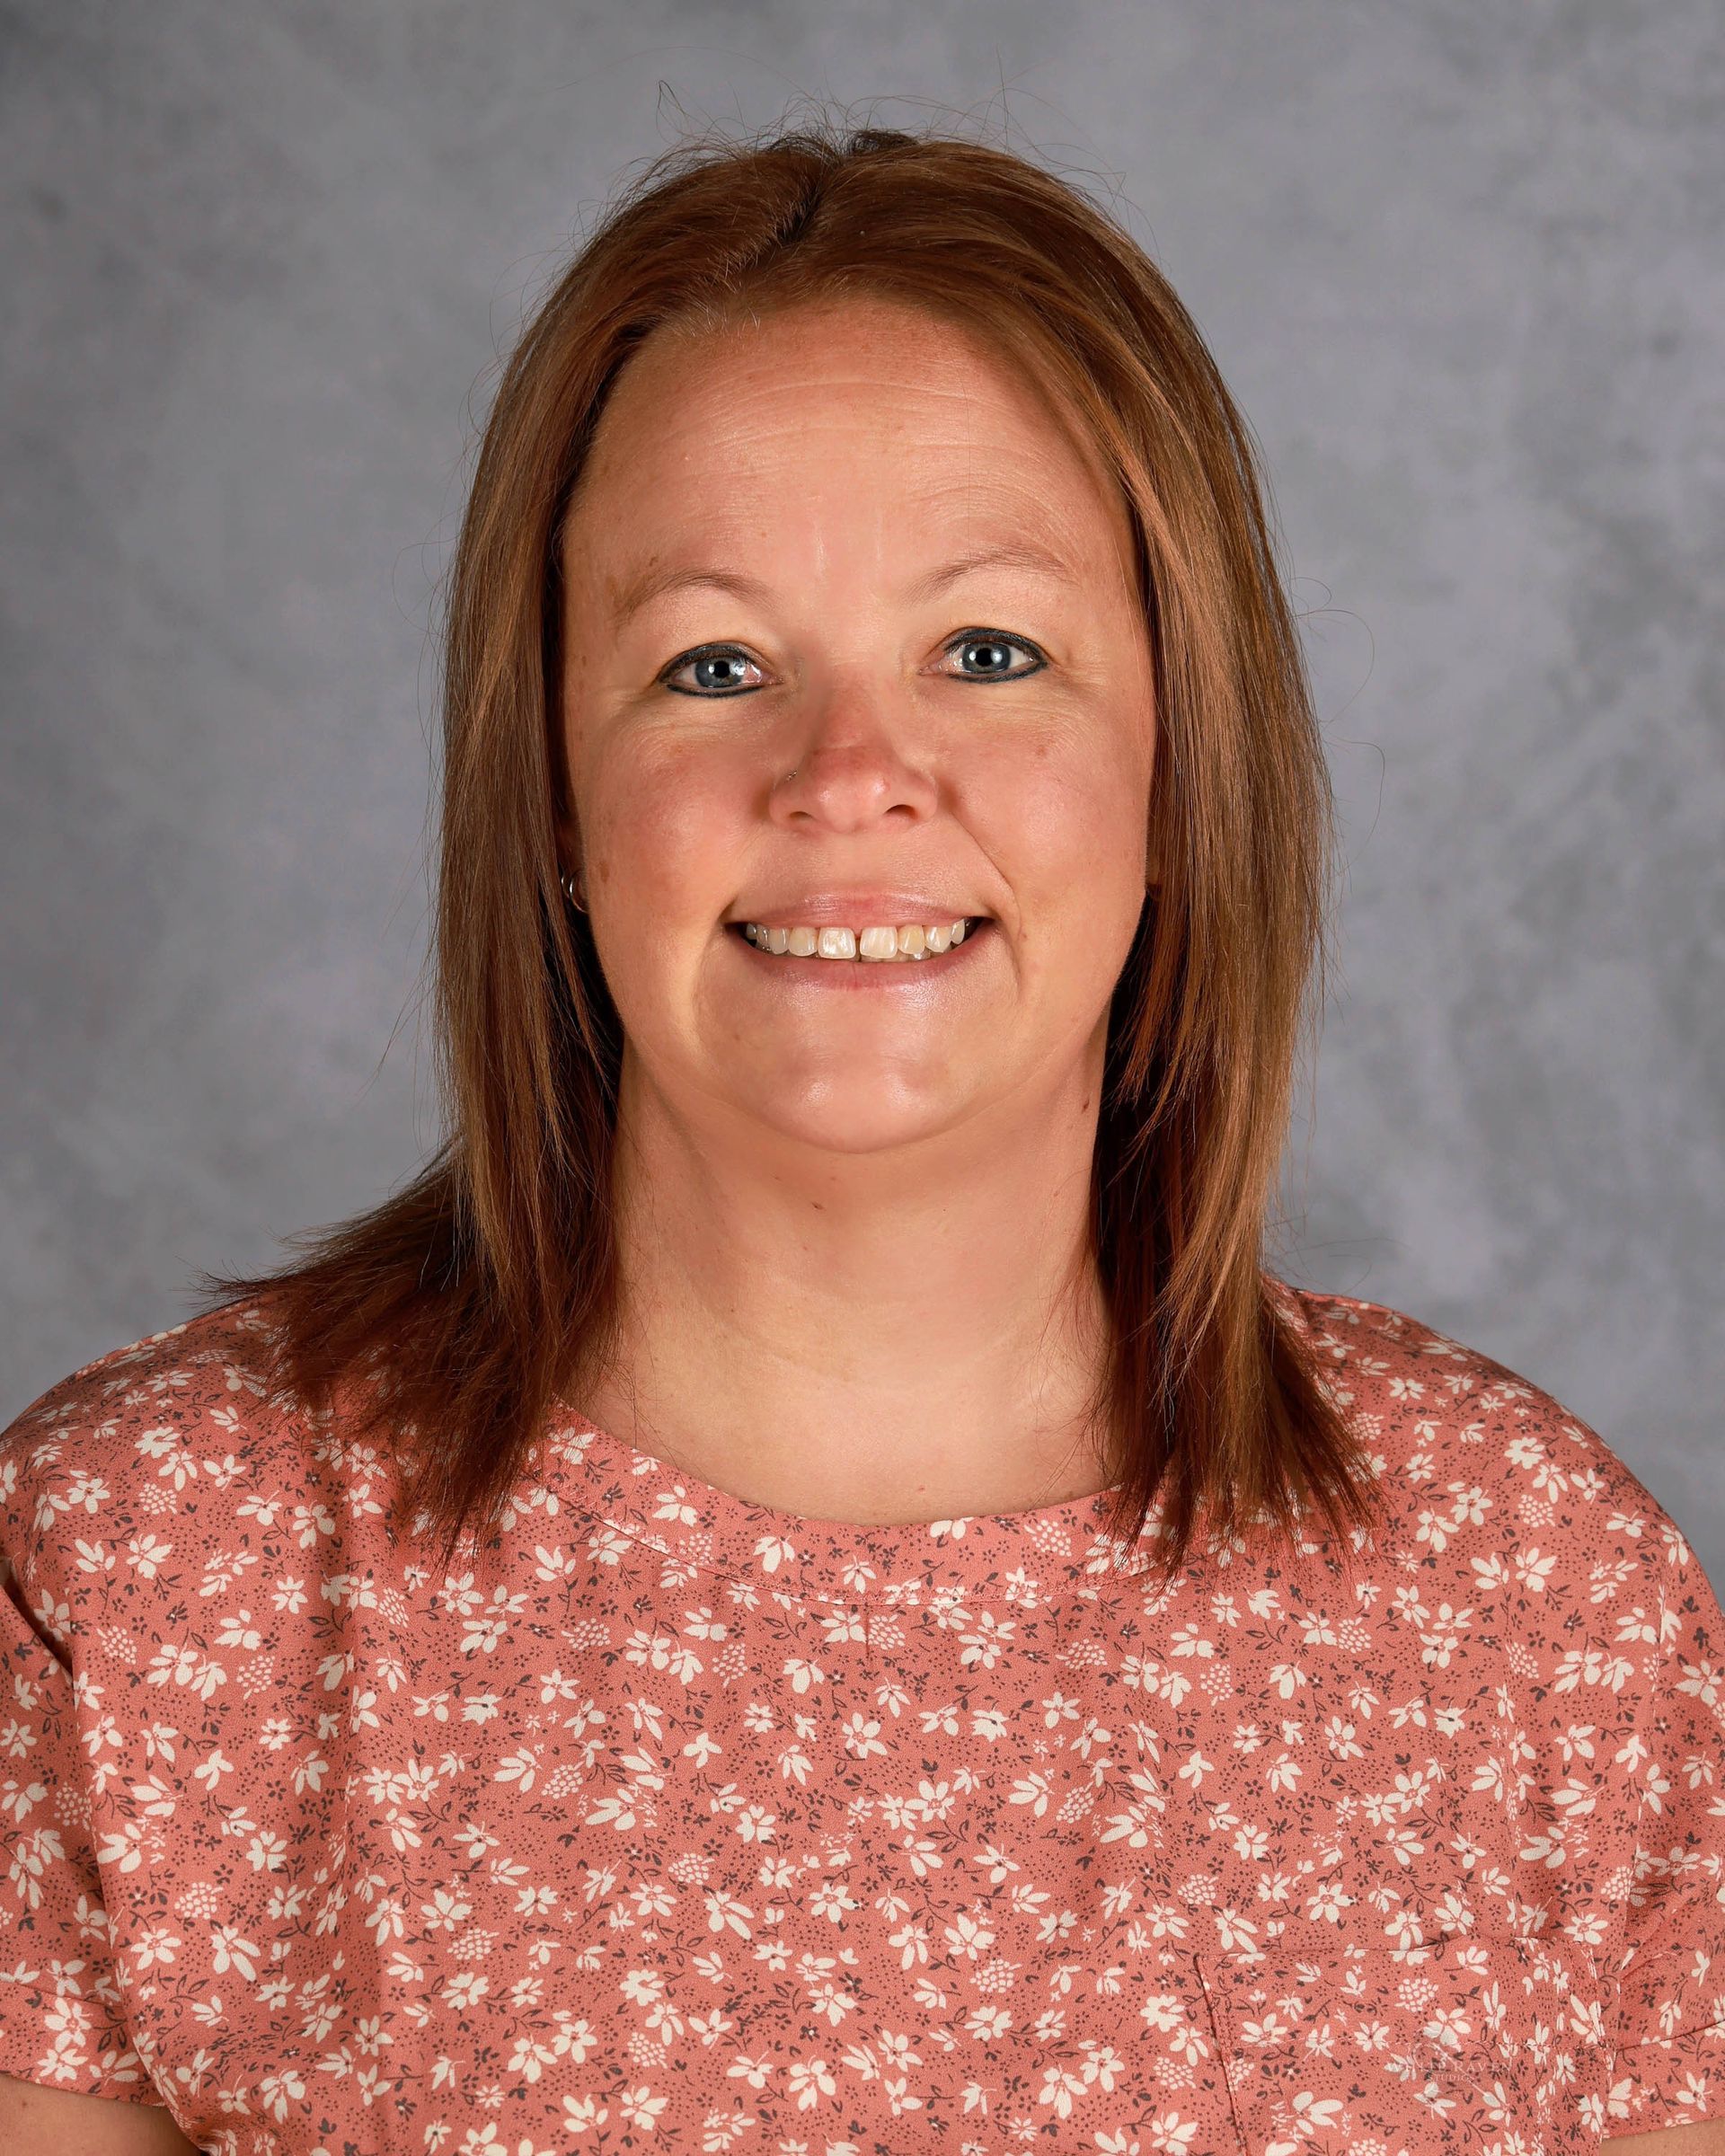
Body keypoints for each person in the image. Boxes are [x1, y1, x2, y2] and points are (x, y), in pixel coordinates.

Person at [1, 116, 1720, 2156]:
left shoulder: (1537, 1597)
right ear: (552, 792)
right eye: (708, 662)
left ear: (1182, 761)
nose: (850, 774)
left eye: (989, 653)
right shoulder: (147, 1581)